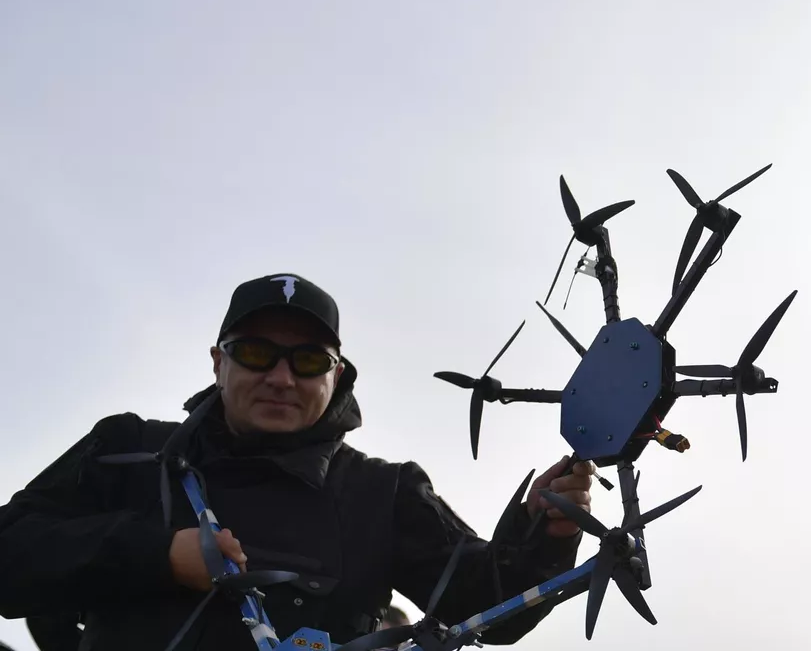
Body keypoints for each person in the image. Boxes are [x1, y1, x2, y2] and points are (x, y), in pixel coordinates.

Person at [0, 273, 599, 649]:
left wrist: (543, 533)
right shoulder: (126, 451)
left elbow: (492, 609)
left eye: (309, 361)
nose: (281, 378)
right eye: (257, 352)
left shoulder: (383, 492)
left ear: (337, 376)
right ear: (218, 362)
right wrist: (155, 555)